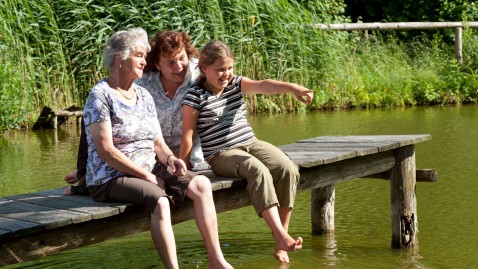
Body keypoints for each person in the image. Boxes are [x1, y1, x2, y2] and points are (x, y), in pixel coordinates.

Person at [66, 30, 232, 269]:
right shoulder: (99, 95)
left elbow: (157, 143)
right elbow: (106, 151)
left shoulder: (142, 94)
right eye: (139, 55)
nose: (145, 61)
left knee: (202, 184)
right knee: (161, 201)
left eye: (144, 55)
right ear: (120, 59)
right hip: (111, 176)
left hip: (149, 166)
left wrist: (170, 160)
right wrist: (147, 176)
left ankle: (216, 260)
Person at [179, 40, 314, 263]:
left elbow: (262, 85)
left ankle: (280, 239)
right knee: (257, 170)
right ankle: (281, 236)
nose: (226, 74)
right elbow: (188, 135)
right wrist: (183, 167)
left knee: (287, 168)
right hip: (221, 153)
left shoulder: (235, 84)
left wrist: (293, 88)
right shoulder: (195, 96)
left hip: (250, 143)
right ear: (204, 68)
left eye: (230, 68)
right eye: (220, 69)